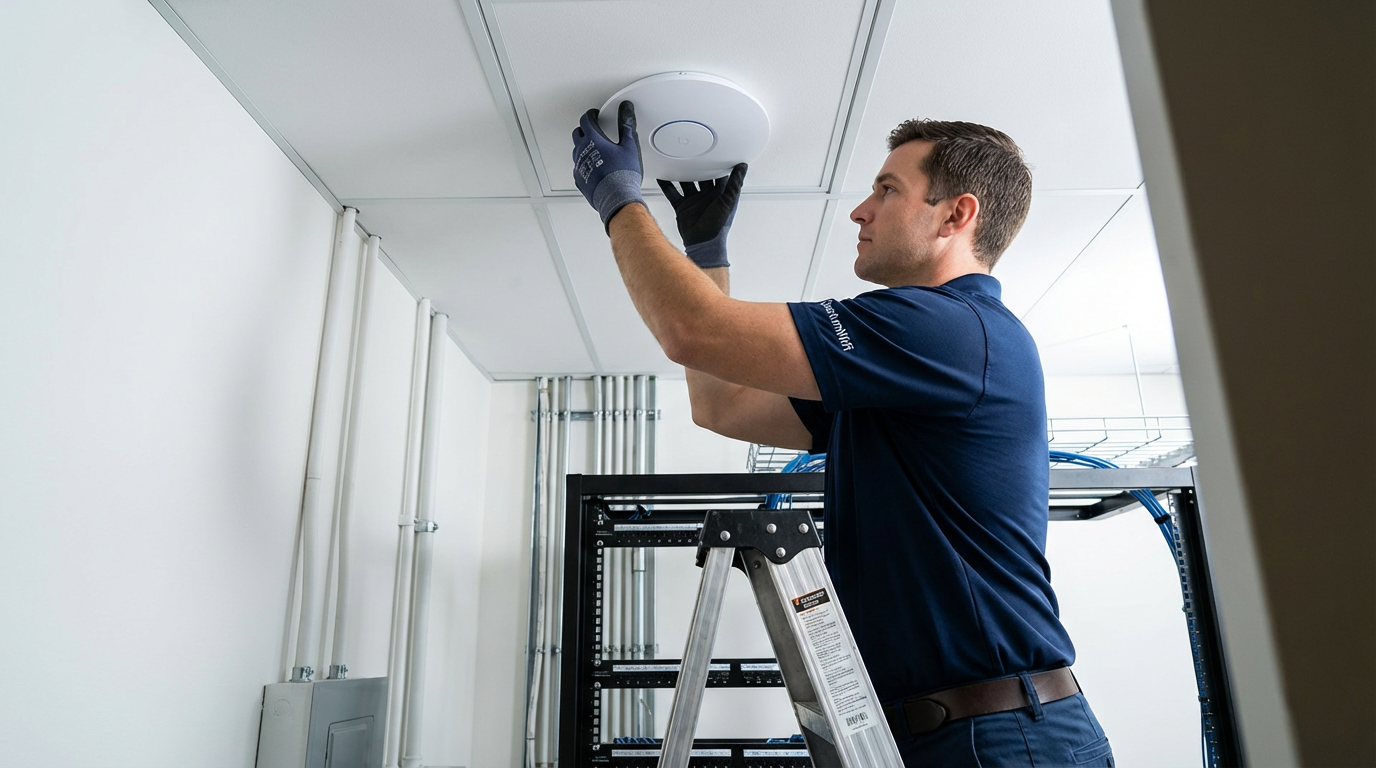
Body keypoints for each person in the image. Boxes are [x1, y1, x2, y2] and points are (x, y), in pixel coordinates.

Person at [571, 101, 1115, 767]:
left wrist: (620, 202)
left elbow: (694, 331)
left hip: (999, 738)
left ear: (956, 215)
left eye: (887, 190)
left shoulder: (951, 330)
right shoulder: (907, 372)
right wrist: (706, 254)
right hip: (937, 733)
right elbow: (723, 404)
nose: (860, 211)